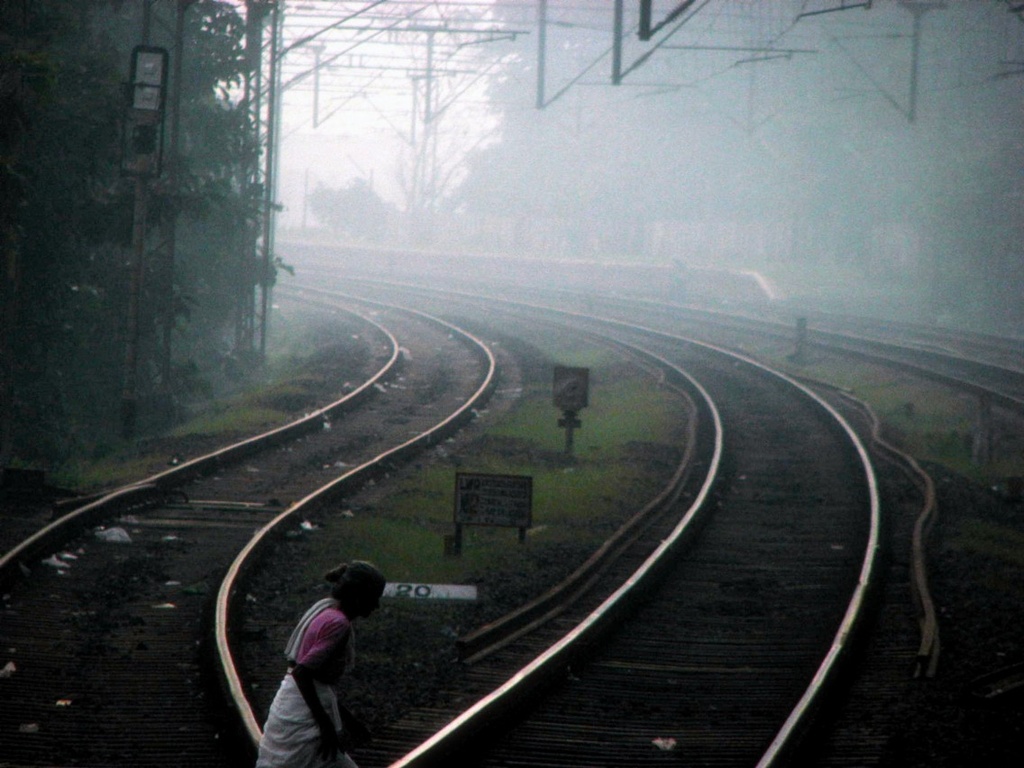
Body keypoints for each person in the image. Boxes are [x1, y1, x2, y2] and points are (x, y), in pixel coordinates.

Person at [255, 561, 387, 768]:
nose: (376, 606)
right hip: (304, 716)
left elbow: (314, 679)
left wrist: (348, 720)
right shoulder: (339, 625)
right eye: (374, 598)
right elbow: (303, 673)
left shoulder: (325, 612)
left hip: (291, 703)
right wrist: (325, 725)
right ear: (358, 596)